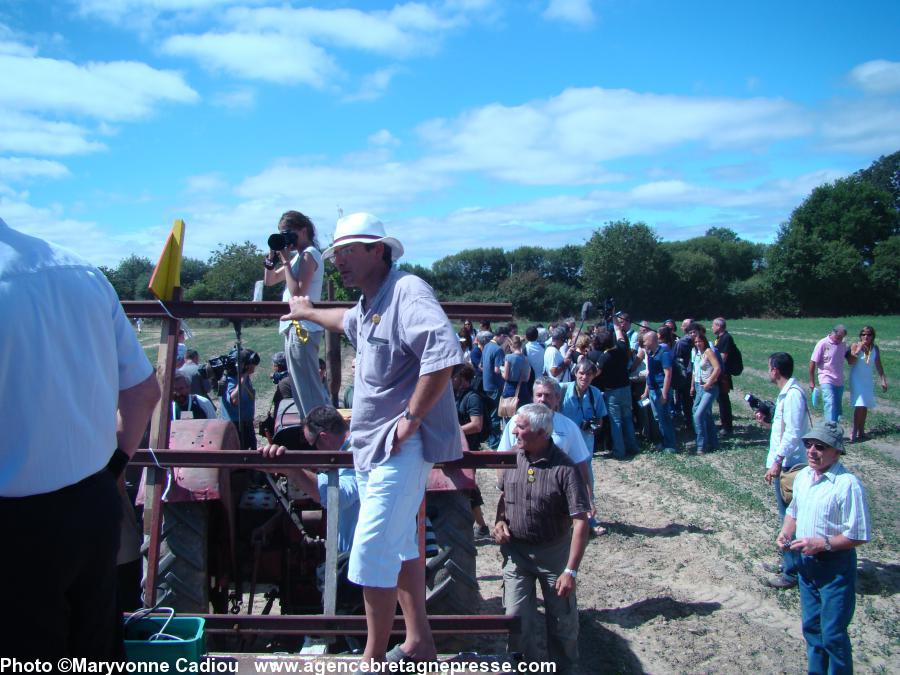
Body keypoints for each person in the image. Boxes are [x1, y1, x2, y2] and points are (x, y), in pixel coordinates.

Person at [280, 212, 463, 664]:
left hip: (400, 446)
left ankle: (372, 658)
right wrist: (307, 311)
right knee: (401, 546)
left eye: (347, 253)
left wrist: (412, 419)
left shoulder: (407, 290)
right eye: (334, 254)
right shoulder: (370, 303)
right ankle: (419, 641)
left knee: (370, 551)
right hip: (376, 448)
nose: (337, 262)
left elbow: (441, 352)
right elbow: (348, 321)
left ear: (376, 250)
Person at [0, 218, 160, 659]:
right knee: (94, 651)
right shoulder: (81, 272)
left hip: (14, 529)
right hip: (93, 503)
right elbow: (145, 390)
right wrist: (112, 470)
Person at [493, 404, 591, 674]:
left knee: (562, 626)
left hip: (554, 556)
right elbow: (504, 498)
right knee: (516, 621)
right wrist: (499, 522)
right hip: (516, 555)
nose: (514, 431)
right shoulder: (512, 458)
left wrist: (570, 570)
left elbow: (581, 520)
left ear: (540, 432)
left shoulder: (565, 469)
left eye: (520, 427)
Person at [777, 421, 870, 674]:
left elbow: (858, 535)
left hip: (834, 568)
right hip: (806, 566)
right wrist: (786, 531)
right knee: (812, 630)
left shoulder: (847, 484)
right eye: (809, 445)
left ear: (836, 451)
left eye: (820, 446)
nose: (811, 451)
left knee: (832, 634)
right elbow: (793, 511)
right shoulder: (804, 476)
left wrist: (823, 544)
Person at [259, 405, 360, 553]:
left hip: (354, 556)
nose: (317, 451)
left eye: (314, 445)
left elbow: (340, 496)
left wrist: (291, 470)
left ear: (324, 437)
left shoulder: (354, 455)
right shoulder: (356, 446)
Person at [263, 210, 328, 417]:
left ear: (303, 230)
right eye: (282, 233)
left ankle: (318, 427)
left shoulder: (310, 254)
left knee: (307, 384)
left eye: (288, 232)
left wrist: (285, 260)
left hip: (303, 328)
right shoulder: (299, 257)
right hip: (296, 327)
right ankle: (311, 424)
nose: (286, 237)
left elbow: (297, 292)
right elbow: (270, 280)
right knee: (299, 384)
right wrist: (271, 257)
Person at [756, 352, 810, 589]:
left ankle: (792, 573)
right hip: (784, 462)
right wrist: (767, 423)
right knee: (786, 517)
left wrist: (777, 460)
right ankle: (787, 561)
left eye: (769, 368)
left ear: (775, 370)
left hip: (791, 465)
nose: (769, 372)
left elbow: (794, 432)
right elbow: (783, 428)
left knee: (790, 518)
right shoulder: (787, 393)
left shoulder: (793, 395)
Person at [589, 327, 638, 459]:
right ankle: (632, 446)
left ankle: (619, 451)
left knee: (615, 421)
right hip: (626, 388)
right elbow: (620, 333)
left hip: (612, 392)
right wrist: (615, 319)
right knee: (627, 417)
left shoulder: (604, 357)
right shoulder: (622, 348)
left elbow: (595, 373)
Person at [846, 326, 888, 442]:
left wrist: (883, 379)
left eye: (869, 335)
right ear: (860, 336)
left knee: (864, 406)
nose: (866, 337)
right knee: (859, 404)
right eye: (863, 334)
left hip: (867, 379)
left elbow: (878, 364)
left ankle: (862, 431)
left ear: (872, 336)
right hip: (857, 378)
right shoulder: (855, 345)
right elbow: (850, 362)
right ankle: (854, 431)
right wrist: (858, 349)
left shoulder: (875, 348)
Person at [641, 330, 678, 453]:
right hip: (652, 389)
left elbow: (668, 374)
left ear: (652, 340)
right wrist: (646, 391)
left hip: (661, 389)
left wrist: (664, 394)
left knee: (665, 418)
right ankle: (664, 441)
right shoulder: (650, 354)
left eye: (645, 340)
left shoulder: (664, 353)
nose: (644, 343)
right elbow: (649, 374)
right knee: (658, 418)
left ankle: (670, 445)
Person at [220, 349, 259, 449]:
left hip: (246, 424)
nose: (254, 367)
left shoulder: (244, 378)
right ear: (245, 365)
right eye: (252, 364)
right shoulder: (232, 379)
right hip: (236, 427)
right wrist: (243, 377)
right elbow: (234, 400)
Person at [690, 331, 721, 455]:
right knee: (705, 415)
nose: (698, 343)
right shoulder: (697, 353)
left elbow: (717, 368)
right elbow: (694, 370)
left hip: (710, 388)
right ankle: (714, 443)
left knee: (698, 415)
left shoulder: (708, 352)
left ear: (704, 341)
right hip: (699, 386)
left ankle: (701, 446)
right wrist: (692, 385)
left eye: (700, 341)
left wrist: (709, 382)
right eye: (696, 342)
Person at [809, 325, 849, 423]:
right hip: (825, 377)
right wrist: (811, 381)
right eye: (838, 337)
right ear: (833, 333)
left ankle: (835, 427)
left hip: (839, 380)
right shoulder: (822, 343)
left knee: (837, 408)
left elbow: (850, 359)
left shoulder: (843, 344)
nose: (839, 340)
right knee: (829, 403)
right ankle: (829, 429)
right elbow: (813, 362)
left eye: (842, 338)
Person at [482, 327, 509, 448]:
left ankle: (489, 439)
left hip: (486, 384)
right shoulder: (498, 350)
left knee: (489, 414)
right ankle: (494, 442)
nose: (505, 341)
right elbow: (497, 370)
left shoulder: (486, 346)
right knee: (495, 415)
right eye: (505, 338)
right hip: (495, 385)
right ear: (501, 336)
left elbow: (481, 365)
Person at [712, 318, 736, 436]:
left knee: (723, 400)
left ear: (719, 326)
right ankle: (724, 424)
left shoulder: (726, 338)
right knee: (720, 400)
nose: (712, 328)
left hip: (723, 374)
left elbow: (723, 356)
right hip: (719, 372)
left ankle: (727, 427)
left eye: (713, 325)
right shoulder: (719, 338)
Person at [501, 334, 533, 413]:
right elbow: (527, 378)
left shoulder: (508, 357)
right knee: (523, 414)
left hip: (510, 389)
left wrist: (501, 371)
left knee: (507, 414)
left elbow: (505, 376)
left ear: (511, 345)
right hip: (523, 389)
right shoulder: (526, 359)